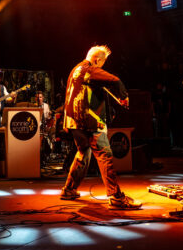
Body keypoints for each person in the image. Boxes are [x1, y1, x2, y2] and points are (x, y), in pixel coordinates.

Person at [60, 45, 141, 210]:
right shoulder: (90, 69)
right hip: (89, 122)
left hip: (73, 121)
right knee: (104, 154)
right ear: (97, 59)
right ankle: (116, 197)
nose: (102, 66)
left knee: (83, 152)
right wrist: (124, 97)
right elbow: (115, 80)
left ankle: (69, 189)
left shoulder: (76, 69)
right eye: (103, 62)